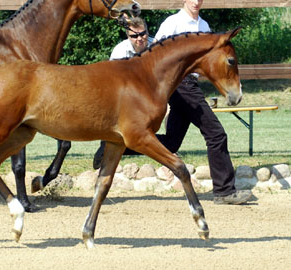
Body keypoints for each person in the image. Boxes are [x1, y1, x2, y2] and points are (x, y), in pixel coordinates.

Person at [94, 2, 253, 205]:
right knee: (216, 134)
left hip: (192, 86)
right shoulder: (173, 23)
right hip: (180, 86)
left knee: (171, 142)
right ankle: (224, 191)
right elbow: (155, 57)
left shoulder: (204, 26)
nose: (196, 2)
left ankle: (113, 145)